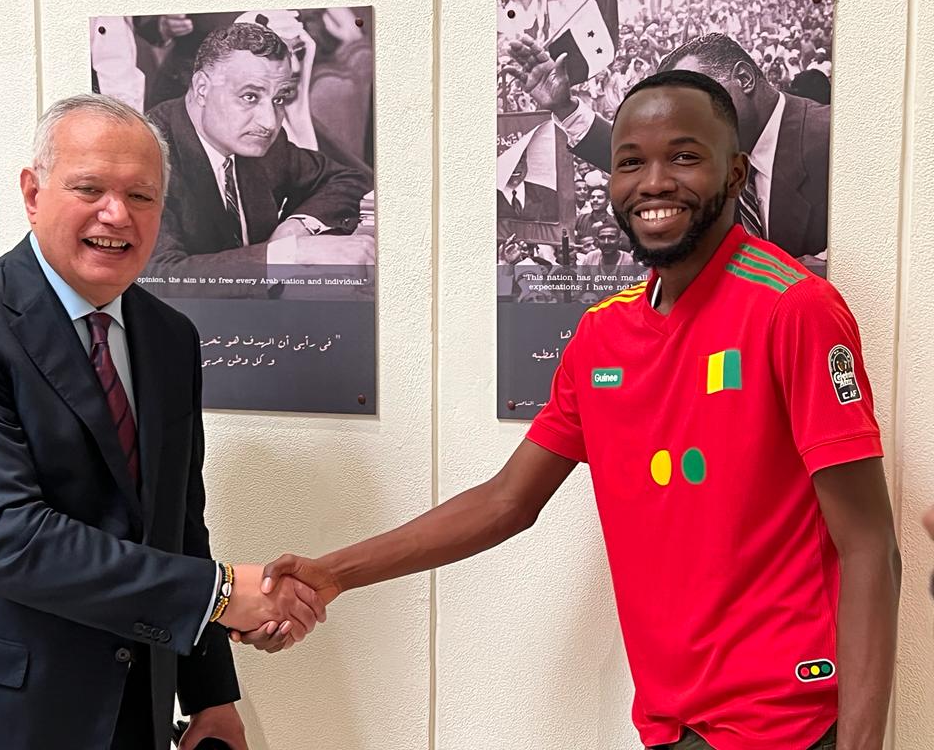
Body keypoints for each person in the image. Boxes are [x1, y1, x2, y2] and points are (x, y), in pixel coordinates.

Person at [246, 72, 901, 750]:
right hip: (672, 724)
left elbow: (870, 548)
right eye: (630, 162)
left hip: (789, 725)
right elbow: (506, 500)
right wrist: (334, 574)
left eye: (684, 156)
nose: (654, 182)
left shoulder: (794, 308)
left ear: (735, 174)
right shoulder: (602, 335)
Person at [0, 94, 326, 750]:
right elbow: (7, 538)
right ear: (33, 193)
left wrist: (210, 696)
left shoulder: (170, 338)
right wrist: (221, 595)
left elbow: (178, 525)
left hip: (136, 711)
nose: (116, 214)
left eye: (141, 195)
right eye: (89, 189)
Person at [503, 32, 831, 260]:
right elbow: (639, 161)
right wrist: (565, 108)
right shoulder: (715, 146)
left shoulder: (833, 140)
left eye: (697, 99)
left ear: (744, 79)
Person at [146, 22, 372, 275]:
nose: (269, 122)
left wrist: (296, 228)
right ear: (202, 88)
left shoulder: (258, 141)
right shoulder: (143, 155)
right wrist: (290, 255)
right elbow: (159, 276)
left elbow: (347, 179)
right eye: (250, 96)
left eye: (279, 99)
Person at [496, 151, 559, 222]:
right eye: (507, 162)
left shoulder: (550, 197)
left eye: (519, 160)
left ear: (525, 160)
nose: (515, 168)